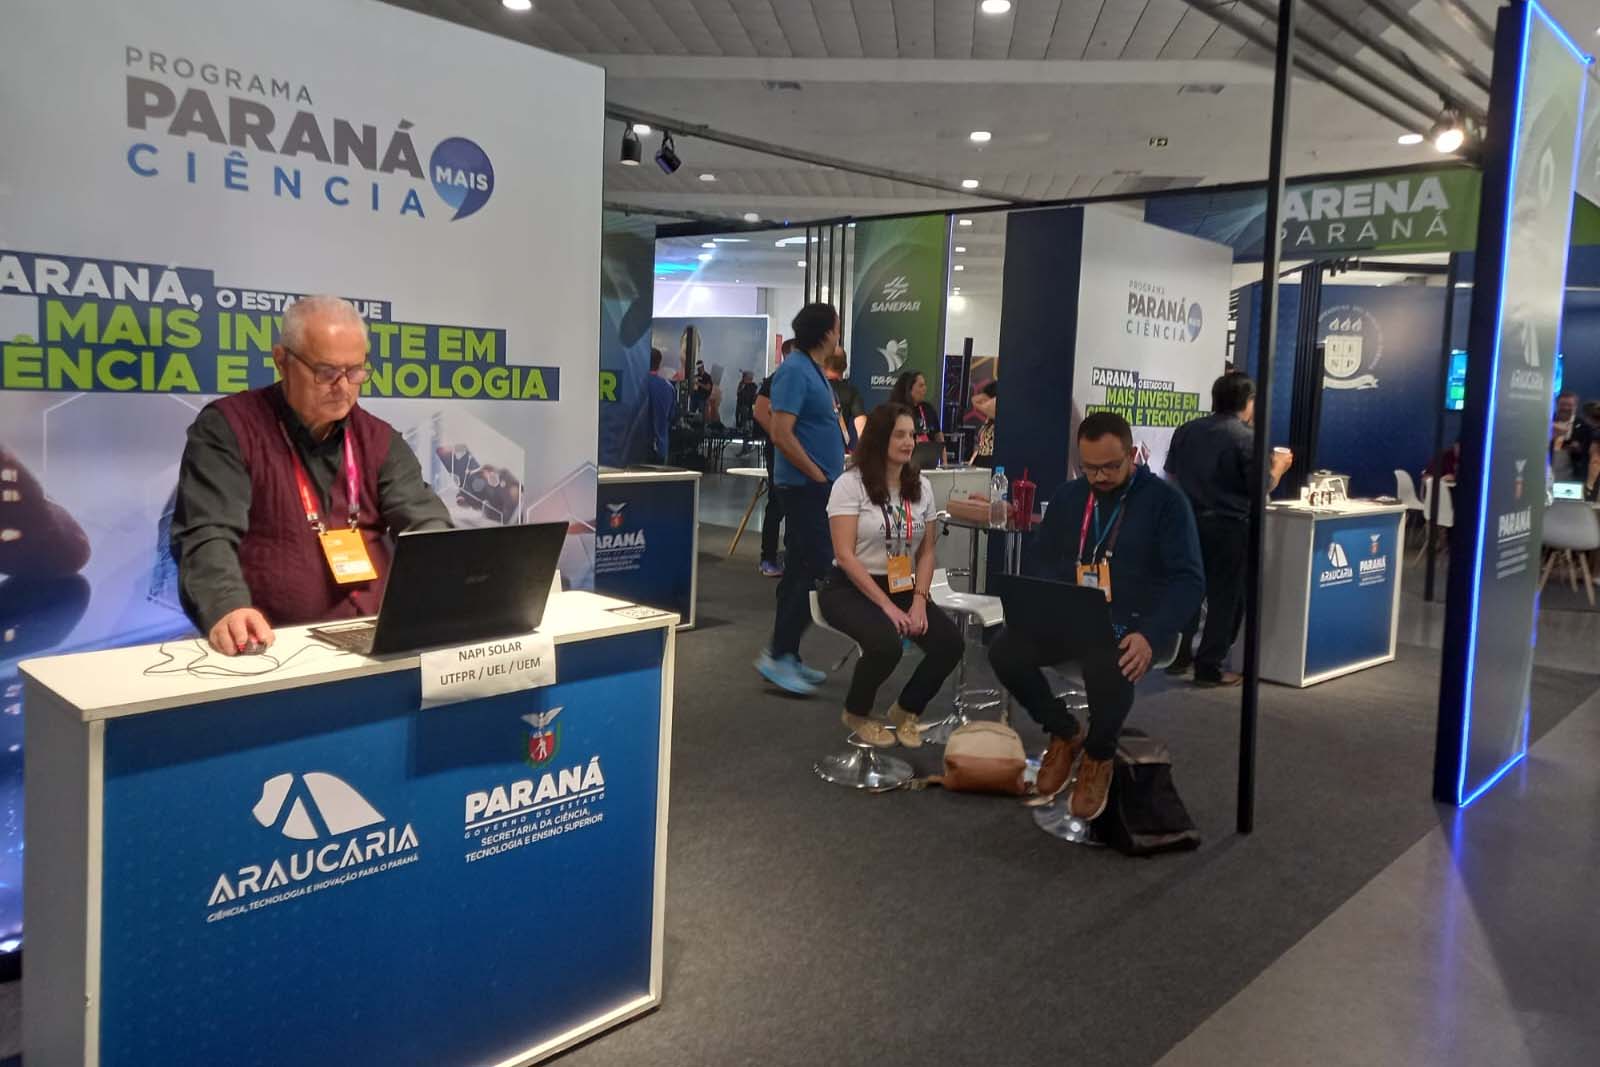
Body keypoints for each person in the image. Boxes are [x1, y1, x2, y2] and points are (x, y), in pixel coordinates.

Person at [171, 295, 450, 656]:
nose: (343, 387)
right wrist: (226, 606)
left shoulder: (379, 439)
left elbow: (424, 521)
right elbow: (208, 532)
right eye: (327, 372)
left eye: (356, 371)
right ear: (282, 360)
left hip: (372, 640)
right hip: (272, 646)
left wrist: (448, 578)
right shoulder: (229, 428)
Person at [989, 412, 1204, 819]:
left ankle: (1098, 755)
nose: (1100, 476)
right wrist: (1042, 599)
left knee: (1109, 663)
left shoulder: (1166, 503)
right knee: (1004, 649)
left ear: (1132, 454)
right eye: (1090, 468)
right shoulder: (1071, 497)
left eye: (1110, 466)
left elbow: (1189, 581)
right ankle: (1064, 732)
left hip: (1134, 624)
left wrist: (1152, 634)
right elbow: (1042, 557)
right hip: (1072, 616)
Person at [819, 404, 963, 747]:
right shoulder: (849, 485)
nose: (909, 442)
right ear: (880, 438)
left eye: (912, 434)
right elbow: (844, 555)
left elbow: (926, 551)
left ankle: (906, 710)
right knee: (886, 644)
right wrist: (887, 607)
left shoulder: (921, 486)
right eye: (899, 435)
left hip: (901, 585)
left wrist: (919, 600)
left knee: (949, 643)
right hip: (849, 588)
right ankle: (857, 712)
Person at [1164, 373, 1293, 687]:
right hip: (1229, 527)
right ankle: (1209, 668)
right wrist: (1278, 468)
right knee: (1226, 599)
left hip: (1189, 523)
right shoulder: (1247, 438)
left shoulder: (1187, 430)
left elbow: (1171, 476)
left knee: (1189, 590)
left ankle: (1178, 657)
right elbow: (1261, 487)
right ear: (1248, 402)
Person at [755, 304, 848, 695]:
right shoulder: (794, 370)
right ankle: (779, 654)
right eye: (837, 328)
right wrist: (816, 473)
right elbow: (781, 432)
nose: (839, 335)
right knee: (816, 567)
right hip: (805, 488)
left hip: (816, 487)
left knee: (800, 569)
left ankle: (786, 654)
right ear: (825, 332)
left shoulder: (811, 369)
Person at [751, 341, 794, 578]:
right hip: (779, 453)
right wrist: (781, 437)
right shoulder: (775, 380)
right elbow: (760, 412)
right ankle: (767, 557)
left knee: (794, 506)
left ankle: (791, 556)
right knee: (777, 503)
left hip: (795, 453)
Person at [823, 351, 867, 451]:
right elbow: (861, 422)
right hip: (837, 450)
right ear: (844, 367)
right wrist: (863, 451)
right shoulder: (850, 391)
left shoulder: (812, 387)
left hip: (810, 450)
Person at [644, 347, 678, 464]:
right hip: (661, 448)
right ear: (659, 364)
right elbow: (672, 416)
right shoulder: (669, 388)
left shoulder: (637, 384)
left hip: (639, 447)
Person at [890, 371, 942, 444]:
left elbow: (938, 434)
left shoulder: (928, 408)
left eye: (924, 385)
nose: (925, 389)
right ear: (909, 389)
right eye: (921, 386)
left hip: (928, 450)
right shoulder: (898, 411)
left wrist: (943, 450)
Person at [968, 380, 998, 468]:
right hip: (980, 459)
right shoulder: (988, 419)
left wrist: (988, 399)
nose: (984, 403)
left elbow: (975, 401)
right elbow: (974, 399)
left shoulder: (998, 412)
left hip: (991, 459)